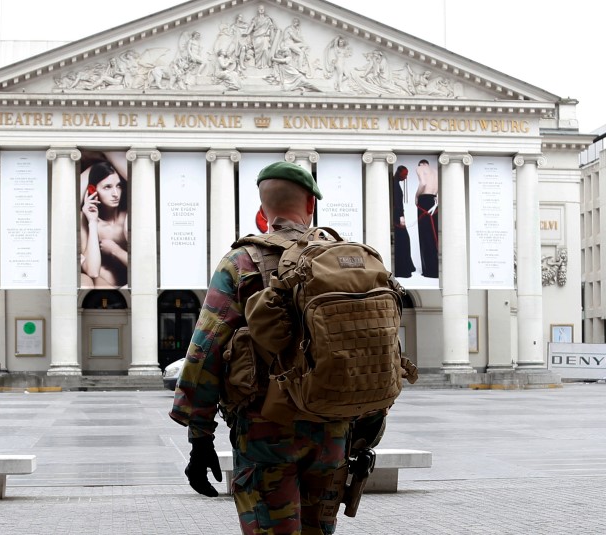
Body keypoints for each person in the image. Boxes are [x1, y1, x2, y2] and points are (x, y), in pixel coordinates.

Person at [170, 162, 352, 534]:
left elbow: (205, 348)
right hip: (333, 433)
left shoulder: (242, 262)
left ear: (261, 210)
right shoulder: (344, 262)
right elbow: (370, 349)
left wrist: (199, 436)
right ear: (311, 206)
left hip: (265, 432)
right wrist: (364, 435)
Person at [80, 158, 129, 288]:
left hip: (129, 288)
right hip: (100, 289)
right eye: (107, 187)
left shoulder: (128, 218)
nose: (115, 194)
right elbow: (92, 271)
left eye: (118, 186)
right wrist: (92, 222)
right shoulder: (84, 219)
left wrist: (115, 250)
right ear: (92, 190)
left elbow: (143, 267)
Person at [414, 159, 439, 278]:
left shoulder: (420, 168)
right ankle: (435, 269)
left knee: (425, 235)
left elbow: (423, 183)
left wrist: (416, 196)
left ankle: (428, 271)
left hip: (424, 201)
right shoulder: (435, 171)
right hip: (434, 201)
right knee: (434, 236)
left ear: (421, 164)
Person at [392, 165, 416, 278]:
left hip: (397, 215)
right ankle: (403, 269)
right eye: (405, 175)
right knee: (403, 241)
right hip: (397, 217)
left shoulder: (395, 183)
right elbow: (397, 203)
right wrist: (401, 216)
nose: (406, 177)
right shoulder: (395, 185)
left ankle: (405, 267)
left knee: (403, 241)